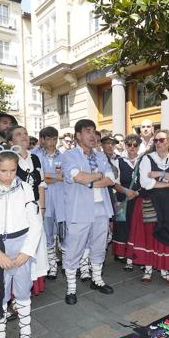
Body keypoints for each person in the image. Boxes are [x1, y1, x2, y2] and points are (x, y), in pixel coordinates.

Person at [0, 146, 44, 338]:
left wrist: (26, 251)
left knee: (23, 292)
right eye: (3, 171)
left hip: (21, 245)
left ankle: (25, 333)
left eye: (12, 170)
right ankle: (0, 337)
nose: (8, 175)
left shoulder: (25, 188)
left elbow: (35, 222)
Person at [61, 119, 116, 304]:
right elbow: (77, 177)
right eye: (87, 131)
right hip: (79, 208)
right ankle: (71, 288)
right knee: (74, 247)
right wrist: (98, 176)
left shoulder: (101, 156)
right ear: (78, 135)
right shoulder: (70, 156)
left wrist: (90, 180)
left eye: (94, 131)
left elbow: (111, 179)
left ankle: (97, 279)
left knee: (99, 245)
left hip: (101, 206)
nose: (92, 135)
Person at [127, 130, 169, 284]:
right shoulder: (147, 158)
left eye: (161, 140)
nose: (158, 143)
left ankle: (165, 269)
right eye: (156, 141)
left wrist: (159, 173)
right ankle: (148, 269)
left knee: (167, 234)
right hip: (150, 202)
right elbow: (146, 184)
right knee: (150, 235)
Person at [8, 125, 48, 296]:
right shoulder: (8, 159)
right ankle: (18, 289)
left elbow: (41, 185)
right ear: (10, 142)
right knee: (21, 247)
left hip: (35, 208)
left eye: (25, 133)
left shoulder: (36, 159)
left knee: (37, 245)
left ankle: (33, 285)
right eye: (18, 134)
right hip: (16, 211)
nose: (24, 136)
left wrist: (42, 208)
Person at [34, 126, 66, 279]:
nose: (52, 142)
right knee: (47, 234)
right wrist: (55, 178)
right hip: (44, 199)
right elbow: (38, 177)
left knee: (64, 233)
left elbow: (66, 176)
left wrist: (47, 177)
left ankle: (67, 265)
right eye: (49, 139)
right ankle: (52, 266)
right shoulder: (35, 156)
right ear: (42, 140)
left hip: (61, 200)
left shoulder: (64, 156)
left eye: (54, 139)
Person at [111, 134, 141, 270]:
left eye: (135, 145)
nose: (132, 147)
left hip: (139, 199)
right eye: (129, 145)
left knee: (138, 229)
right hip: (122, 199)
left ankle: (137, 257)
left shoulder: (144, 160)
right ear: (126, 146)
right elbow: (113, 182)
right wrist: (126, 191)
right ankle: (127, 258)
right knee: (123, 228)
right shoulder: (118, 161)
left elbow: (147, 181)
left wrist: (136, 193)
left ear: (139, 146)